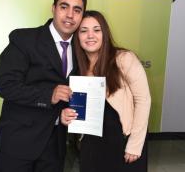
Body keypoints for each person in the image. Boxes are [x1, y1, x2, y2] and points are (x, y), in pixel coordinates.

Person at [0, 0, 86, 172]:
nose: (70, 15)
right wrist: (48, 95)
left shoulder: (82, 49)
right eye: (64, 7)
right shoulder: (24, 40)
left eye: (77, 10)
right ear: (53, 8)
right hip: (19, 142)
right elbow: (5, 85)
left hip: (55, 146)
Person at [61, 10, 151, 172]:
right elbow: (76, 111)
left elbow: (143, 100)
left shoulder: (124, 58)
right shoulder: (77, 71)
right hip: (92, 146)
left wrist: (135, 144)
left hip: (125, 143)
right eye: (83, 31)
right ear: (77, 36)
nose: (90, 35)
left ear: (105, 33)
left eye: (96, 30)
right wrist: (67, 115)